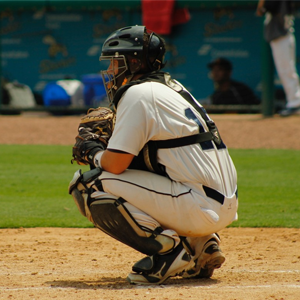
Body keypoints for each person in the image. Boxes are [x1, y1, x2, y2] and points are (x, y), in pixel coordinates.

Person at [68, 25, 238, 285]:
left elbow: (115, 164)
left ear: (134, 62)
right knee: (144, 167)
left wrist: (92, 153)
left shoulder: (138, 93)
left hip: (199, 205)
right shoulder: (172, 88)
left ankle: (169, 253)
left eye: (116, 62)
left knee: (89, 185)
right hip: (217, 202)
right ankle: (202, 244)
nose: (111, 70)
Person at [256, 0, 300, 116]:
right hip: (284, 36)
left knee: (286, 70)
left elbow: (260, 10)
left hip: (281, 37)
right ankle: (295, 101)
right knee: (287, 70)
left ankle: (295, 103)